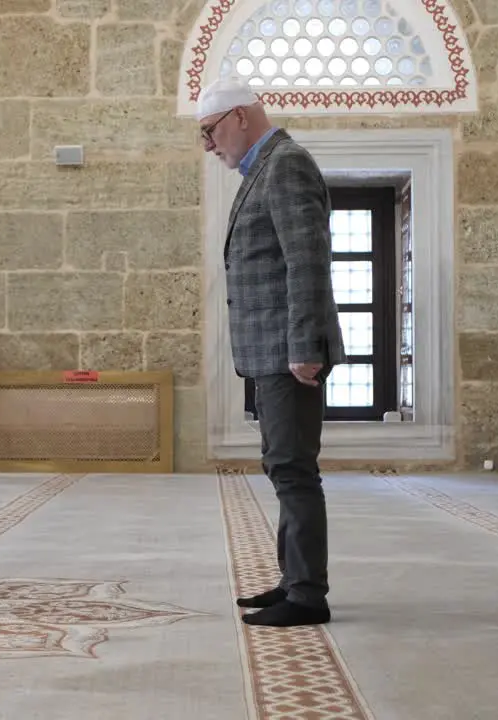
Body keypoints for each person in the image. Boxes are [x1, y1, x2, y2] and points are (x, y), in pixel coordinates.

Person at [196, 77, 346, 627]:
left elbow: (306, 261)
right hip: (271, 352)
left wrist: (305, 346)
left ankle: (308, 596)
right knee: (283, 465)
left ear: (239, 117)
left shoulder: (285, 164)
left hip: (289, 352)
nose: (209, 146)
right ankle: (293, 581)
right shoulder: (262, 168)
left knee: (292, 468)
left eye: (210, 133)